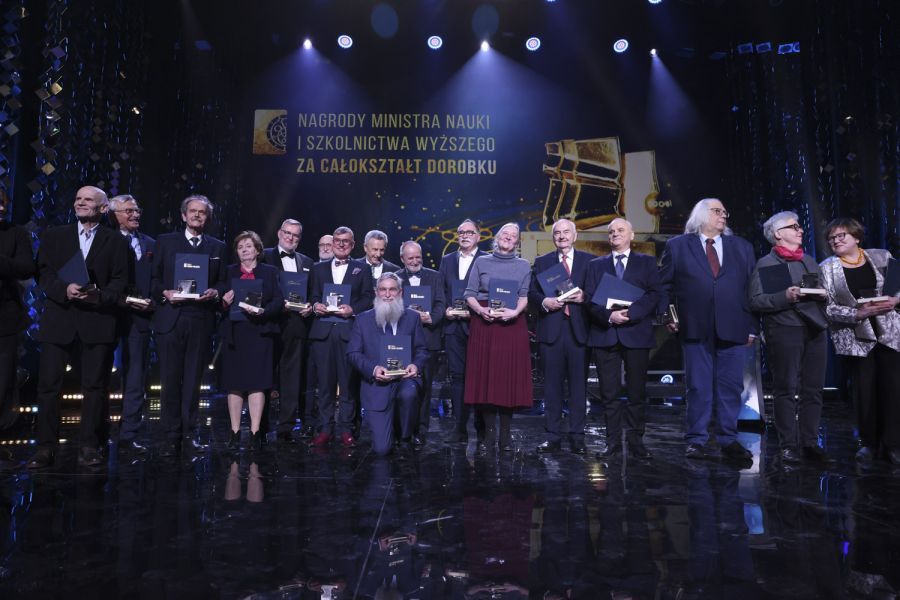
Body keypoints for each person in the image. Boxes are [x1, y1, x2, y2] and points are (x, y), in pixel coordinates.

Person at [27, 186, 129, 469]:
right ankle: (46, 447)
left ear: (103, 208)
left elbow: (121, 280)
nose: (81, 203)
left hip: (97, 321)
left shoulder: (116, 241)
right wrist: (64, 289)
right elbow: (43, 273)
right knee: (48, 386)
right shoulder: (55, 235)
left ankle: (89, 445)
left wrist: (100, 296)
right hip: (59, 320)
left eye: (88, 200)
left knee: (95, 386)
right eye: (78, 199)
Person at [659, 198, 756, 463]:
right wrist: (668, 314)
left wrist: (752, 327)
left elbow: (752, 290)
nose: (723, 215)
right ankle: (696, 440)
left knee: (731, 387)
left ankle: (728, 439)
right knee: (698, 387)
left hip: (734, 326)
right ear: (701, 214)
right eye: (717, 211)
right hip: (694, 327)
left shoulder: (743, 247)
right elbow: (664, 286)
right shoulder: (677, 246)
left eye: (725, 211)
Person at [150, 194, 227, 456]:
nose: (197, 215)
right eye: (192, 211)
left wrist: (215, 293)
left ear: (207, 218)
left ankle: (189, 432)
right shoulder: (165, 242)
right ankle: (170, 435)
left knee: (194, 380)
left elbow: (223, 283)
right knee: (170, 379)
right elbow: (154, 278)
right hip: (171, 316)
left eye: (202, 213)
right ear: (183, 215)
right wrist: (165, 293)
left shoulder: (217, 247)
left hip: (201, 319)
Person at [749, 212, 829, 464]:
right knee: (785, 389)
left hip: (815, 329)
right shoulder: (767, 263)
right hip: (785, 330)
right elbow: (756, 301)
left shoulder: (808, 260)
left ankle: (809, 441)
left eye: (799, 226)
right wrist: (787, 296)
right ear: (777, 234)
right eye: (793, 227)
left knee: (813, 389)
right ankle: (788, 444)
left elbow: (823, 289)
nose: (800, 230)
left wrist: (824, 295)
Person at [819, 218, 900, 464]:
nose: (836, 240)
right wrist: (856, 313)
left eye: (841, 235)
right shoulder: (827, 268)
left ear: (856, 237)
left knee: (893, 389)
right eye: (832, 238)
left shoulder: (882, 256)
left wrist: (895, 301)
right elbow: (827, 308)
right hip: (856, 337)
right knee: (864, 392)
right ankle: (869, 443)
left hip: (889, 333)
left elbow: (898, 286)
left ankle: (894, 445)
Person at [584, 218, 661, 459]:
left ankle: (636, 442)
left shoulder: (646, 263)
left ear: (631, 234)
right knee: (609, 393)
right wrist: (609, 316)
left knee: (637, 392)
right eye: (611, 231)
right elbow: (589, 298)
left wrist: (631, 314)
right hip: (606, 334)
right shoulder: (596, 265)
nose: (615, 234)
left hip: (636, 333)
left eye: (620, 230)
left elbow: (655, 293)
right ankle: (612, 442)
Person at [464, 222, 532, 452]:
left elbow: (524, 295)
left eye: (513, 236)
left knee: (507, 380)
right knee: (486, 379)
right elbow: (469, 294)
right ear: (497, 237)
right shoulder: (481, 262)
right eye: (505, 234)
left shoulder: (523, 265)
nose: (508, 238)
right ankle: (489, 433)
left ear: (517, 242)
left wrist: (514, 312)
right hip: (484, 324)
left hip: (512, 325)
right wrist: (481, 311)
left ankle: (506, 434)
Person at [529, 218, 592, 455]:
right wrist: (544, 301)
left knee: (579, 388)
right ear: (553, 237)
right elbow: (531, 292)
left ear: (575, 236)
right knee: (552, 388)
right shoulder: (542, 262)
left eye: (567, 232)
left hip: (579, 331)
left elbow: (597, 292)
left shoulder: (589, 261)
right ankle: (552, 436)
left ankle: (577, 436)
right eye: (557, 233)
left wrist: (585, 296)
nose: (562, 236)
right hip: (551, 331)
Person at [347, 272, 428, 455]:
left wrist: (415, 365)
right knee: (382, 450)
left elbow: (422, 350)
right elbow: (352, 353)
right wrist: (373, 369)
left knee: (408, 393)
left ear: (400, 293)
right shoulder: (362, 319)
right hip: (377, 385)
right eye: (383, 290)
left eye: (392, 289)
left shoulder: (412, 318)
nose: (387, 294)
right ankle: (392, 430)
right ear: (376, 292)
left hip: (405, 380)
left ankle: (406, 436)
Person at [308, 226, 374, 447]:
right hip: (322, 332)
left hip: (349, 331)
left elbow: (368, 298)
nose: (341, 244)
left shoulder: (362, 268)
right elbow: (314, 296)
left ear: (353, 245)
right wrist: (316, 304)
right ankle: (325, 428)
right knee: (324, 385)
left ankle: (346, 429)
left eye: (346, 241)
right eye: (337, 240)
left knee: (348, 385)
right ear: (332, 243)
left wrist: (352, 309)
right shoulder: (318, 269)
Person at [221, 231, 283, 450]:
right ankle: (235, 432)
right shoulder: (228, 272)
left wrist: (264, 311)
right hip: (235, 334)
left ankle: (256, 433)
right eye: (240, 247)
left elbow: (278, 301)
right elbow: (218, 297)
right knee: (234, 385)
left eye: (248, 246)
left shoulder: (269, 272)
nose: (244, 250)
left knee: (258, 384)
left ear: (258, 250)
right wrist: (224, 300)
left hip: (260, 333)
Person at [108, 194, 155, 455]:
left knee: (136, 376)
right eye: (128, 211)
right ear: (114, 215)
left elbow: (158, 277)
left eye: (137, 210)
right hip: (108, 315)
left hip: (140, 318)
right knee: (101, 376)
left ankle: (129, 434)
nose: (135, 215)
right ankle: (98, 432)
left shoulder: (151, 243)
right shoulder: (105, 239)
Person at [262, 219, 314, 443]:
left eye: (295, 235)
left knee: (292, 378)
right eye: (287, 233)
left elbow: (313, 292)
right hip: (269, 324)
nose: (291, 238)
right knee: (264, 375)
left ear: (299, 239)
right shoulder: (263, 255)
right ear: (279, 233)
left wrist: (310, 305)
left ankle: (286, 426)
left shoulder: (307, 262)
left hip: (295, 325)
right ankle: (261, 425)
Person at [438, 219, 487, 444]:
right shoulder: (447, 260)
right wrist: (445, 310)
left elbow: (490, 293)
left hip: (479, 326)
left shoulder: (487, 260)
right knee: (457, 377)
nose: (465, 236)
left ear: (478, 236)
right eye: (460, 232)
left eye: (469, 232)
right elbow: (441, 292)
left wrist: (475, 311)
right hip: (453, 328)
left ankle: (481, 425)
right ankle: (459, 428)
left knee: (480, 378)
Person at [396, 240, 445, 447]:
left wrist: (430, 318)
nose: (415, 261)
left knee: (424, 388)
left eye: (418, 257)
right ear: (402, 259)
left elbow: (442, 303)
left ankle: (420, 430)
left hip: (428, 339)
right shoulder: (395, 279)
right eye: (411, 258)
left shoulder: (435, 276)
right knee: (402, 387)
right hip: (402, 340)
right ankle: (401, 429)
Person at [0, 189, 36, 464]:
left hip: (6, 318)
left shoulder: (16, 233)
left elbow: (26, 268)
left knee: (3, 381)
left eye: (2, 204)